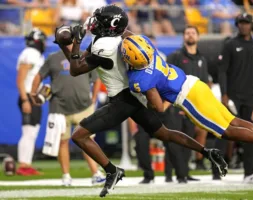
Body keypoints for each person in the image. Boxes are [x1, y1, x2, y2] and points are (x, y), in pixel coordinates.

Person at [55, 5, 227, 197]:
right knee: (165, 134)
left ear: (109, 27)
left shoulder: (105, 47)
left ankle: (112, 171)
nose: (94, 23)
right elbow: (77, 61)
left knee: (79, 136)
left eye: (99, 20)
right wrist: (65, 45)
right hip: (134, 97)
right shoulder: (116, 37)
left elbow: (75, 69)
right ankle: (207, 152)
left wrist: (73, 43)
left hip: (122, 101)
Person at [121, 34, 253, 178]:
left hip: (188, 97)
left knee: (226, 131)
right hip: (195, 84)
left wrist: (146, 100)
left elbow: (158, 107)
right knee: (233, 121)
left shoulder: (140, 79)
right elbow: (131, 38)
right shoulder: (149, 48)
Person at [30, 44, 106, 186]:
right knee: (62, 142)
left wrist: (94, 98)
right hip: (60, 107)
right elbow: (38, 76)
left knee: (87, 140)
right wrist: (33, 94)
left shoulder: (85, 56)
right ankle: (66, 176)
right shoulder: (52, 58)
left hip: (84, 106)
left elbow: (96, 78)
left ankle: (96, 173)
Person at [217, 12, 253, 182]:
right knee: (224, 132)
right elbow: (222, 71)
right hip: (233, 97)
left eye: (246, 23)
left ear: (251, 25)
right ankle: (216, 170)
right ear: (237, 24)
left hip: (251, 98)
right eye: (240, 22)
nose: (243, 25)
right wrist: (224, 94)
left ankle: (250, 172)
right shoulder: (230, 45)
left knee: (250, 134)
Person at [167, 25, 209, 172]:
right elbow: (169, 79)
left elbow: (203, 83)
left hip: (194, 104)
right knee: (175, 138)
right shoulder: (176, 56)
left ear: (197, 37)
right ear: (183, 37)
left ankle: (184, 171)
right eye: (187, 33)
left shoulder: (202, 58)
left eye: (193, 33)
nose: (190, 35)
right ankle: (171, 173)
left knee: (190, 137)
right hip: (177, 104)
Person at [16, 28, 47, 176]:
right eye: (43, 40)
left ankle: (26, 164)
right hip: (27, 96)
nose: (45, 43)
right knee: (28, 132)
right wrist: (24, 99)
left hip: (32, 97)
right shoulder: (30, 53)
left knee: (32, 132)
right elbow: (20, 79)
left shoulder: (35, 55)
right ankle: (23, 165)